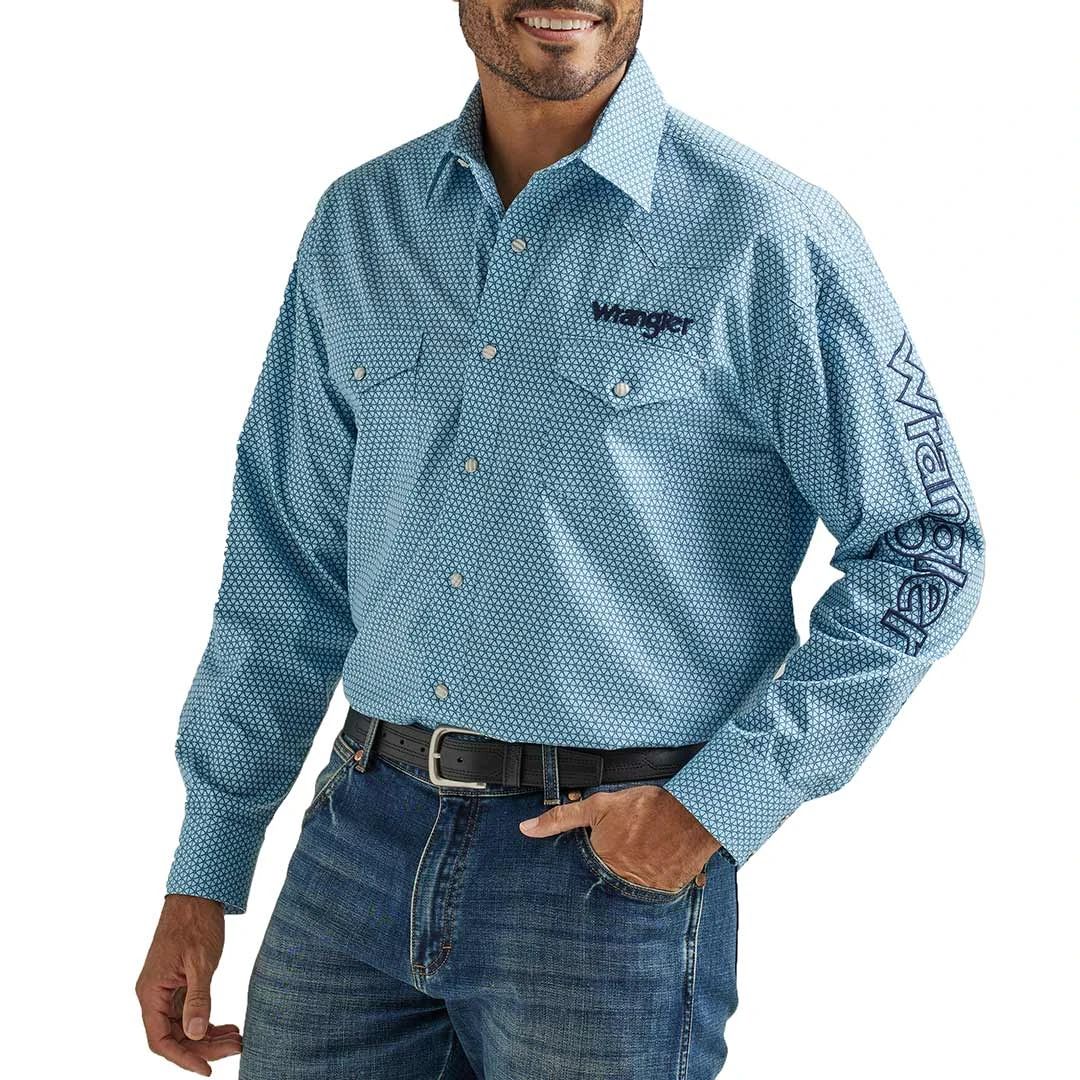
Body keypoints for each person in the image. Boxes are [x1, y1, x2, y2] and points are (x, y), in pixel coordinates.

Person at [135, 3, 987, 1077]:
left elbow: (927, 545)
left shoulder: (765, 233)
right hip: (356, 849)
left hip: (607, 873)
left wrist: (718, 806)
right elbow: (284, 565)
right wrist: (206, 866)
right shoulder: (361, 223)